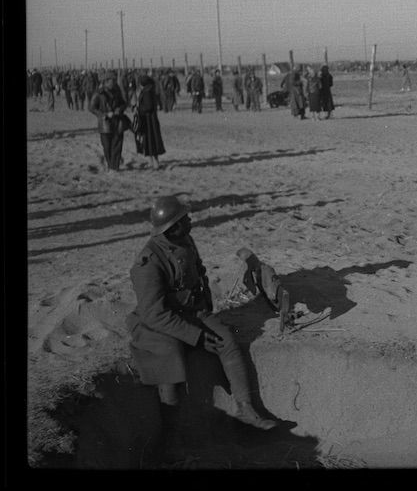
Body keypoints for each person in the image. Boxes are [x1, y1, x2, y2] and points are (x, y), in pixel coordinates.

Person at [126, 196, 277, 457]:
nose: (190, 220)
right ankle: (170, 439)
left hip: (192, 311)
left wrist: (205, 312)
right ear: (171, 227)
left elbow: (199, 272)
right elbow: (154, 314)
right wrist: (196, 336)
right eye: (184, 218)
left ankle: (245, 408)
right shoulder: (148, 263)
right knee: (169, 354)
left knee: (226, 339)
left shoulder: (185, 240)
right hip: (156, 321)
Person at [88, 71, 128, 171]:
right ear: (105, 82)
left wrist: (120, 109)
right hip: (105, 123)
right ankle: (110, 165)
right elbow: (92, 107)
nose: (113, 82)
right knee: (107, 146)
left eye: (114, 80)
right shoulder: (98, 93)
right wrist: (104, 114)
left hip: (117, 121)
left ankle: (115, 167)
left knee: (117, 145)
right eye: (111, 81)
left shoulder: (117, 91)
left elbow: (124, 103)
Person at [134, 75, 166, 169]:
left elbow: (148, 106)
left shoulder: (147, 92)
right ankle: (153, 162)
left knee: (151, 142)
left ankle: (155, 163)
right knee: (150, 142)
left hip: (149, 121)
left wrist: (139, 109)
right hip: (149, 120)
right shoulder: (149, 90)